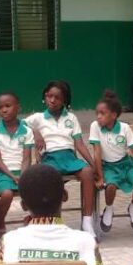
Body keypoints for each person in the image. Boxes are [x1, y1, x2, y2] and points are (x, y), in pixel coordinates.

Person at [26, 80, 98, 236]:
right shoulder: (38, 117)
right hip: (50, 158)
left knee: (87, 173)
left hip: (69, 156)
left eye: (57, 97)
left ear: (64, 100)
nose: (52, 100)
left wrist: (93, 165)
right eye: (49, 96)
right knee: (47, 180)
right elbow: (20, 124)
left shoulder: (71, 118)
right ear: (44, 97)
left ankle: (87, 221)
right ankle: (52, 220)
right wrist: (35, 132)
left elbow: (79, 144)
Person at [90, 91, 133, 232]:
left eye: (103, 114)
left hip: (126, 165)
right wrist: (100, 177)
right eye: (97, 113)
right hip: (107, 167)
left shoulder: (125, 128)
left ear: (114, 115)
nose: (98, 117)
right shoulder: (95, 126)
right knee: (109, 186)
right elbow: (97, 153)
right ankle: (109, 209)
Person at [0, 91, 34, 236]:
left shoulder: (27, 131)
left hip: (22, 172)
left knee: (39, 188)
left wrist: (22, 175)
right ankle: (0, 221)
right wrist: (13, 177)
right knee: (6, 194)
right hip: (1, 173)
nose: (4, 110)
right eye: (0, 107)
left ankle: (34, 219)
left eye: (8, 106)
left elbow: (27, 159)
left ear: (18, 108)